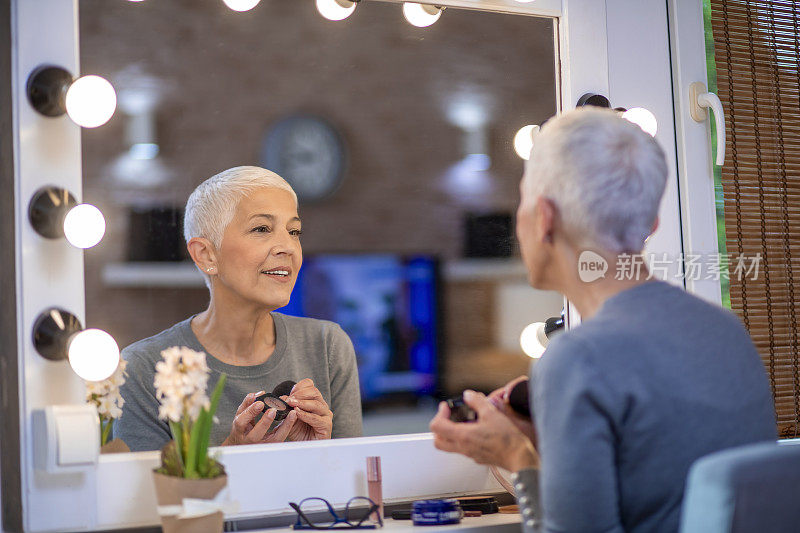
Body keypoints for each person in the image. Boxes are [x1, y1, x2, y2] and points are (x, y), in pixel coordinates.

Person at [429, 108, 776, 533]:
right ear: (652, 224)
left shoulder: (578, 358)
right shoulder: (726, 331)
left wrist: (518, 458)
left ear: (544, 219)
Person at [115, 166, 363, 452]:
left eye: (294, 231)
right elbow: (144, 496)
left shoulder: (327, 345)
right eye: (261, 229)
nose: (288, 247)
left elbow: (354, 490)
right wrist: (232, 451)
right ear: (206, 254)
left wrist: (318, 452)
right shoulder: (143, 368)